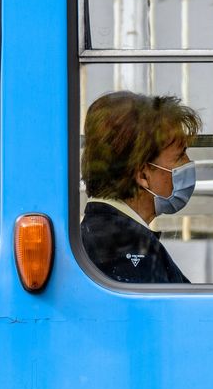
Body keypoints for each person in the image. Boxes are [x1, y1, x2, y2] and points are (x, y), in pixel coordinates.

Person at [81, 91, 201, 283]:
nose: (188, 163)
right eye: (180, 155)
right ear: (143, 175)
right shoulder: (127, 250)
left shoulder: (104, 235)